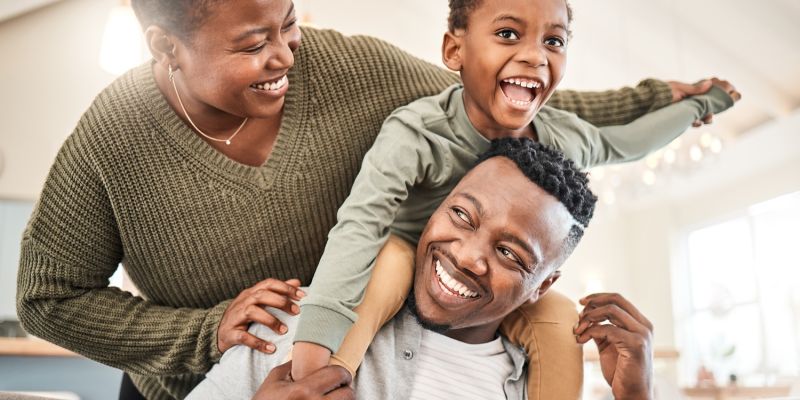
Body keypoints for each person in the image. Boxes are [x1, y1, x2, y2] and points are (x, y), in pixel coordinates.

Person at [14, 0, 721, 398]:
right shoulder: (115, 139)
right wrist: (205, 333)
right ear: (165, 49)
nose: (288, 54)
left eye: (290, 22)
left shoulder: (351, 69)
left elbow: (496, 101)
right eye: (256, 43)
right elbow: (49, 296)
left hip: (351, 359)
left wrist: (658, 100)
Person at [290, 0, 739, 395]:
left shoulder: (561, 137)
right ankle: (323, 383)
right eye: (508, 34)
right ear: (454, 51)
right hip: (412, 258)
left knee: (562, 318)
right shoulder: (419, 131)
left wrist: (698, 105)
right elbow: (360, 223)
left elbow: (625, 143)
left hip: (489, 289)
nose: (534, 56)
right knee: (389, 258)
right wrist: (311, 348)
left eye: (554, 41)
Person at [187, 138, 655, 400]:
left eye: (511, 254)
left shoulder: (537, 384)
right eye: (462, 216)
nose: (469, 256)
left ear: (543, 286)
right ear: (435, 209)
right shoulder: (307, 326)